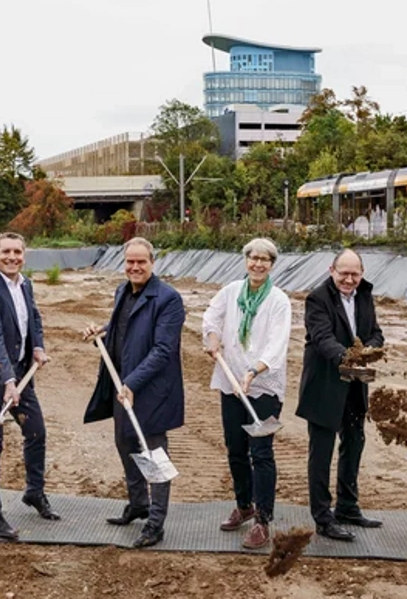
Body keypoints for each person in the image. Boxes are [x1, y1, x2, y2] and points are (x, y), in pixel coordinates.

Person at [82, 237, 185, 549]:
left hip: (151, 390)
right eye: (130, 261)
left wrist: (133, 383)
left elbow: (163, 350)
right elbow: (123, 325)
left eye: (141, 262)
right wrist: (101, 330)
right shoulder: (122, 291)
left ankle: (156, 523)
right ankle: (138, 503)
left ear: (152, 263)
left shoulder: (168, 299)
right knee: (125, 443)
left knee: (153, 453)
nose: (135, 267)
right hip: (123, 385)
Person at [201, 237, 292, 552]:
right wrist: (213, 338)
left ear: (272, 264)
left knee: (261, 452)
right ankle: (244, 504)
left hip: (263, 387)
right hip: (230, 382)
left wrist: (254, 372)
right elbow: (211, 318)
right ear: (245, 260)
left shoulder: (279, 301)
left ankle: (263, 521)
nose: (258, 263)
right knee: (235, 448)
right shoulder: (230, 292)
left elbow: (277, 344)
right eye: (253, 257)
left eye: (265, 259)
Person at [0, 231, 59, 541]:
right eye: (5, 252)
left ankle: (34, 492)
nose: (12, 257)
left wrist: (38, 346)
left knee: (37, 432)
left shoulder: (25, 283)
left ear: (24, 255)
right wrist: (8, 381)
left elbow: (32, 316)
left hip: (20, 374)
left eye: (17, 252)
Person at [295, 248, 385, 541]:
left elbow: (375, 332)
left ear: (362, 274)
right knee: (321, 453)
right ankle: (323, 517)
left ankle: (347, 507)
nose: (349, 279)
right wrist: (350, 357)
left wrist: (370, 349)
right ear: (331, 270)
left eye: (354, 274)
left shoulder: (364, 295)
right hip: (324, 385)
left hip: (355, 385)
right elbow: (321, 338)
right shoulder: (317, 298)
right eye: (343, 273)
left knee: (354, 444)